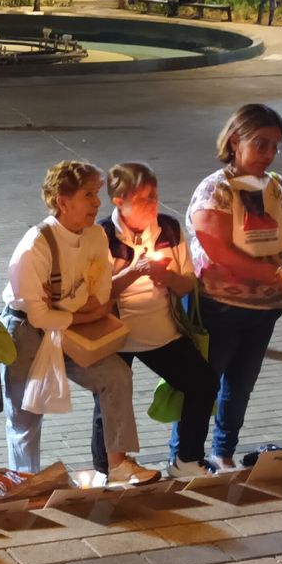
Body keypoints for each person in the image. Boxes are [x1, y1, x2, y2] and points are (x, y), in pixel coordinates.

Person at [1, 160, 161, 484]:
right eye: (89, 195)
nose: (97, 203)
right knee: (25, 414)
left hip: (72, 328)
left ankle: (118, 464)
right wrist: (84, 311)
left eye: (97, 194)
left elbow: (101, 298)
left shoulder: (95, 236)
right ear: (63, 201)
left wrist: (81, 311)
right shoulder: (36, 245)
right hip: (25, 331)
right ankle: (26, 483)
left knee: (116, 374)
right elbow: (39, 315)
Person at [185, 104, 282, 470]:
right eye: (261, 144)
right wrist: (277, 276)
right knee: (203, 386)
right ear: (234, 141)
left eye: (277, 146)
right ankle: (185, 457)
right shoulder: (216, 189)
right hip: (219, 306)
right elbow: (218, 253)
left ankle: (223, 452)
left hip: (265, 309)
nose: (270, 154)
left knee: (240, 387)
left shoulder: (277, 186)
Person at [87, 163, 218, 479]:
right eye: (143, 198)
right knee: (110, 399)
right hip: (116, 334)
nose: (152, 204)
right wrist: (132, 272)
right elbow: (96, 296)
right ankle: (109, 468)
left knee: (203, 382)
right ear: (119, 201)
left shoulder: (169, 230)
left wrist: (168, 277)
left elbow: (188, 284)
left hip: (161, 331)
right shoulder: (101, 236)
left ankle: (187, 458)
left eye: (154, 196)